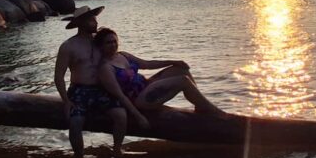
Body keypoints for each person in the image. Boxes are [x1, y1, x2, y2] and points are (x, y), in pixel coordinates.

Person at [54, 6, 131, 158]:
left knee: (121, 116)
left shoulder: (100, 43)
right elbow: (58, 76)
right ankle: (79, 157)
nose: (95, 22)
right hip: (79, 91)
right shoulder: (68, 46)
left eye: (95, 18)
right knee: (75, 123)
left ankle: (117, 150)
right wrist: (66, 101)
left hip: (102, 90)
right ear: (80, 23)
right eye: (91, 19)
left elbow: (117, 58)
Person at [95, 28, 225, 115]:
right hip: (138, 100)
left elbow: (147, 64)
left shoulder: (123, 55)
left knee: (181, 70)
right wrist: (139, 117)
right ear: (101, 46)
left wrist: (173, 62)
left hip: (145, 85)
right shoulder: (105, 68)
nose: (113, 45)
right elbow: (119, 95)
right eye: (108, 43)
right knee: (183, 81)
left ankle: (200, 105)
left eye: (114, 41)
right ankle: (215, 112)